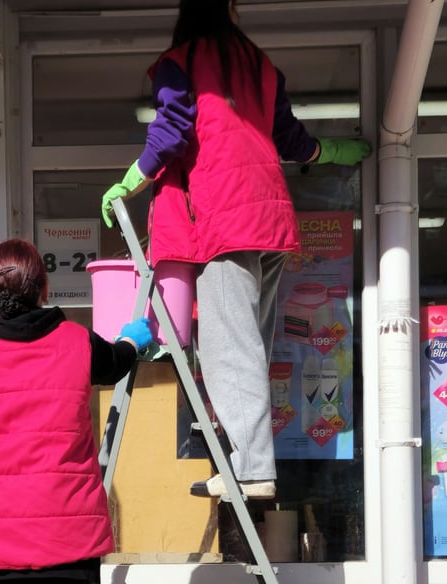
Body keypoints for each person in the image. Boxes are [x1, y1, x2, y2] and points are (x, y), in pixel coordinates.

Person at [99, 0, 370, 500]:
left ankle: (250, 471)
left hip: (224, 223)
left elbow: (173, 129)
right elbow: (288, 137)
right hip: (267, 221)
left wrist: (131, 181)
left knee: (231, 350)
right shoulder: (260, 65)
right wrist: (328, 152)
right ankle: (245, 462)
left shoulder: (179, 62)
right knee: (250, 349)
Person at [0, 238, 152, 584]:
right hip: (68, 544)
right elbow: (115, 363)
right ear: (45, 289)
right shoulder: (77, 341)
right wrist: (131, 341)